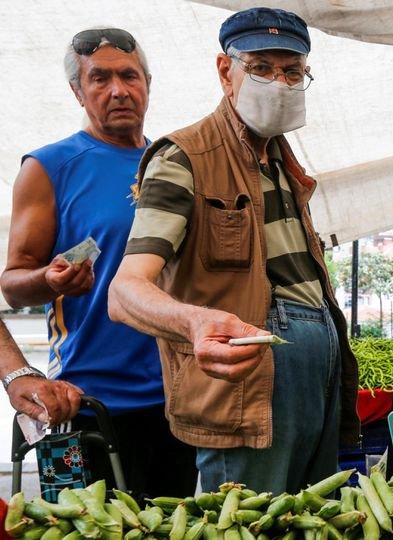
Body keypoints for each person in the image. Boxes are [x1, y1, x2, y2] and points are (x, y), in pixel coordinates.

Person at [107, 8, 358, 493]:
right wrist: (195, 321)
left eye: (292, 71)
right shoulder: (184, 157)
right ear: (227, 71)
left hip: (315, 379)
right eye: (261, 68)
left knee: (313, 520)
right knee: (250, 521)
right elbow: (124, 291)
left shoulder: (282, 160)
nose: (279, 84)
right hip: (248, 389)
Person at [0, 28, 196, 498]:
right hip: (88, 405)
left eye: (129, 76)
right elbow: (12, 284)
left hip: (183, 398)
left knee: (179, 526)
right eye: (99, 78)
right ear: (77, 91)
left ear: (147, 82)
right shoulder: (50, 167)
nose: (118, 90)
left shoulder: (177, 162)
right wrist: (49, 280)